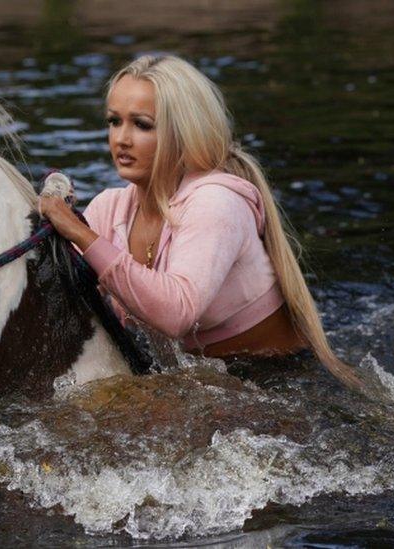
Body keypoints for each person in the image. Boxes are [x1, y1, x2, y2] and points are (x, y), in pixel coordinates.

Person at [38, 55, 363, 390]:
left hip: (281, 383)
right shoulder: (109, 210)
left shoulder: (216, 203)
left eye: (142, 125)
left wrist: (79, 232)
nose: (121, 139)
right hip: (200, 387)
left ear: (184, 132)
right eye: (114, 121)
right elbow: (54, 294)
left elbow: (176, 313)